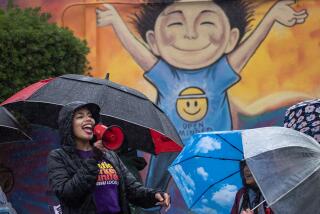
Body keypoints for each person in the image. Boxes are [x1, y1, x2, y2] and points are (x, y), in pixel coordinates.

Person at [96, 0, 308, 195]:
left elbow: (246, 51)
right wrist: (116, 21)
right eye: (176, 24)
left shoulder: (218, 74)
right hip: (170, 143)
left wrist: (270, 18)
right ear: (153, 40)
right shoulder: (166, 75)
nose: (190, 34)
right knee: (154, 189)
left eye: (206, 22)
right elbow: (139, 54)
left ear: (231, 38)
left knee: (225, 191)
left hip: (213, 147)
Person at [47, 101, 170, 214]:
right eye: (80, 116)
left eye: (90, 116)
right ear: (68, 125)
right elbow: (68, 195)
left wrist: (154, 195)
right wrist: (94, 158)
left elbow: (132, 189)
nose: (88, 119)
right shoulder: (59, 156)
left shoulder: (109, 155)